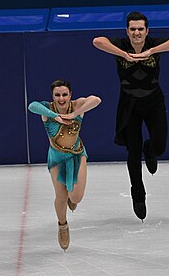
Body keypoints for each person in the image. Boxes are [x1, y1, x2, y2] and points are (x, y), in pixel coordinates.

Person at [92, 11, 169, 222]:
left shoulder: (153, 43)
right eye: (132, 29)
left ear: (147, 31)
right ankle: (138, 193)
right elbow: (97, 41)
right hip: (129, 105)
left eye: (140, 29)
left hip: (154, 102)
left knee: (160, 145)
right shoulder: (121, 45)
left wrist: (151, 51)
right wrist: (123, 54)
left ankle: (150, 151)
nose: (136, 33)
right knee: (132, 153)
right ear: (127, 31)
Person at [27, 79, 101, 251]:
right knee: (61, 197)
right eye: (57, 95)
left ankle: (71, 196)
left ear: (70, 95)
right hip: (56, 158)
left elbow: (96, 100)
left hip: (77, 154)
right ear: (52, 97)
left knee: (76, 198)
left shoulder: (76, 106)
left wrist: (74, 114)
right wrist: (57, 117)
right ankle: (62, 226)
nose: (61, 99)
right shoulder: (47, 110)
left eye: (65, 94)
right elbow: (32, 106)